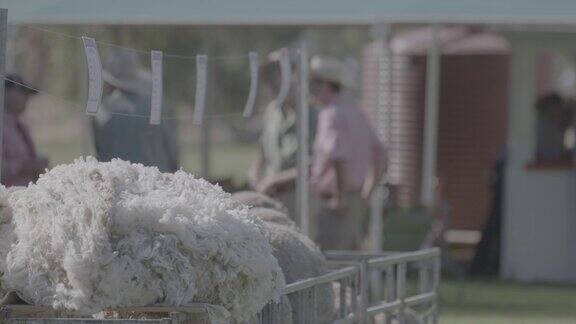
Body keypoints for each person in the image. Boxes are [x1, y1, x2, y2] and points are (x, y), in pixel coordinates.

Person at [309, 56, 386, 251]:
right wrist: (367, 193)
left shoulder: (330, 114)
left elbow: (337, 155)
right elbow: (381, 155)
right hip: (355, 200)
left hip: (334, 203)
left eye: (312, 83)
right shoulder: (357, 112)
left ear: (324, 83)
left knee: (330, 263)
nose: (309, 89)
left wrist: (339, 197)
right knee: (351, 265)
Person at [249, 49, 318, 218]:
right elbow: (262, 150)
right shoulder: (272, 111)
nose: (273, 81)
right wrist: (255, 175)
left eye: (279, 73)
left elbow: (315, 164)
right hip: (270, 198)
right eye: (270, 75)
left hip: (300, 201)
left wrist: (276, 180)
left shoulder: (312, 114)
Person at [92, 49, 179, 173]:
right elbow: (170, 146)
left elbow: (99, 149)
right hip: (155, 182)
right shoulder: (157, 107)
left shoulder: (101, 111)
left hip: (116, 182)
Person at [2, 74, 48, 187]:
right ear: (5, 92)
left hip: (24, 195)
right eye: (22, 92)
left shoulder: (19, 126)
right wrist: (28, 166)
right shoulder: (2, 125)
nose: (27, 97)